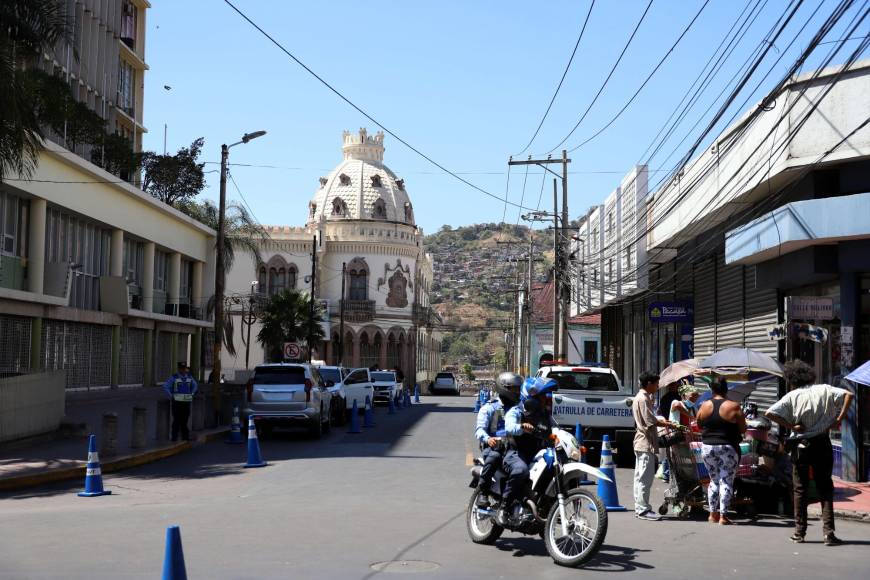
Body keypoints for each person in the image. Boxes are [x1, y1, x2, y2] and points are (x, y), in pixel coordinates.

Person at [765, 360, 854, 546]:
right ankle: (828, 534)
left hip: (801, 445)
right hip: (822, 443)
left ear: (792, 379)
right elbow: (849, 394)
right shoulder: (825, 389)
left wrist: (791, 426)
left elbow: (769, 413)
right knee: (825, 487)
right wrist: (839, 418)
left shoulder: (792, 396)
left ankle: (800, 533)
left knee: (800, 488)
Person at [502, 377, 558, 522]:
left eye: (545, 396)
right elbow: (509, 427)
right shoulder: (517, 411)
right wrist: (522, 427)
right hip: (516, 453)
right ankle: (504, 506)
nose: (545, 399)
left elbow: (556, 429)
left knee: (556, 469)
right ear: (531, 398)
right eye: (542, 396)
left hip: (538, 454)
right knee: (521, 470)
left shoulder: (545, 414)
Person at [696, 378, 745, 525]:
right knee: (726, 480)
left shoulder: (704, 405)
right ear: (726, 389)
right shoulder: (733, 406)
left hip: (707, 447)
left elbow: (699, 424)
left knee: (714, 480)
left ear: (712, 390)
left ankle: (712, 514)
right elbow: (743, 428)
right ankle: (723, 516)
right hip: (727, 447)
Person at [632, 372, 677, 520]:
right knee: (644, 479)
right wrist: (667, 423)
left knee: (640, 478)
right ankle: (643, 509)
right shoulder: (643, 398)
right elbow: (649, 421)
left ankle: (640, 507)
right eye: (656, 384)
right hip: (645, 442)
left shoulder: (643, 397)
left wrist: (663, 422)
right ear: (649, 383)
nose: (658, 387)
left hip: (642, 442)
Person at [474, 372, 522, 507]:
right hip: (495, 447)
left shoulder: (519, 408)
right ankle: (483, 491)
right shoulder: (490, 407)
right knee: (494, 457)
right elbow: (479, 430)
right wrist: (488, 439)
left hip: (514, 447)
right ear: (504, 388)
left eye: (518, 389)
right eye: (514, 389)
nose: (517, 392)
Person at [163, 361, 198, 442]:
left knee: (185, 420)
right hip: (177, 402)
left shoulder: (189, 377)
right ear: (178, 369)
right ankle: (174, 437)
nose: (183, 370)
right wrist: (171, 395)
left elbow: (195, 385)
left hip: (186, 402)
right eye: (181, 368)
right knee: (176, 420)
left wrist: (192, 393)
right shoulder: (174, 377)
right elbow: (165, 386)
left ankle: (185, 436)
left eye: (184, 368)